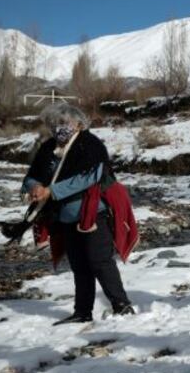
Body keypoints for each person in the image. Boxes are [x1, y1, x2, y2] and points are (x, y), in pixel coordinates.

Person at [23, 103, 136, 325]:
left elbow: (89, 177)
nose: (59, 128)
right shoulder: (47, 149)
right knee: (79, 265)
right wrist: (34, 186)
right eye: (55, 124)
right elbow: (31, 176)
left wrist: (51, 191)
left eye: (65, 123)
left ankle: (122, 306)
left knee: (100, 261)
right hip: (65, 217)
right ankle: (82, 312)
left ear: (79, 124)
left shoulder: (91, 145)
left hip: (93, 213)